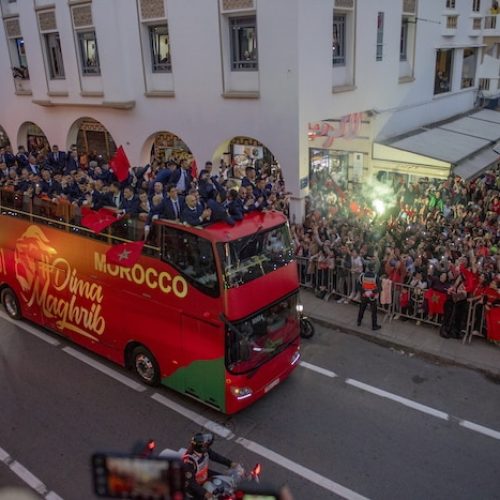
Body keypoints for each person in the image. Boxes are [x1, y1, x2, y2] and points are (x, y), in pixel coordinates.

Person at [183, 432, 235, 499]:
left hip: (204, 475)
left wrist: (230, 463)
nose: (207, 446)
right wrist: (205, 493)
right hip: (195, 485)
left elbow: (215, 456)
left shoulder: (204, 451)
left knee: (226, 481)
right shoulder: (189, 462)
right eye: (205, 445)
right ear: (200, 447)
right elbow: (192, 483)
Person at [357, 261, 382, 330]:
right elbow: (380, 288)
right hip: (372, 297)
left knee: (362, 309)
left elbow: (358, 285)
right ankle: (374, 326)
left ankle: (359, 321)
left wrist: (364, 292)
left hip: (364, 296)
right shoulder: (376, 277)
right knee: (374, 312)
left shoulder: (362, 276)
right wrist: (372, 292)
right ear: (373, 268)